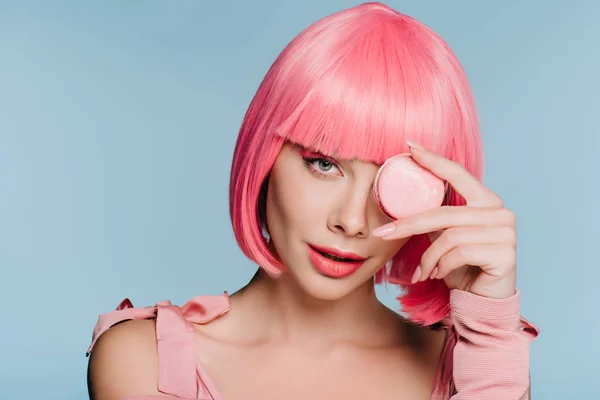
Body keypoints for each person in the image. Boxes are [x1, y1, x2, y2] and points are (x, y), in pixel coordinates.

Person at [86, 2, 539, 399]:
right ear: (264, 156)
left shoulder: (472, 369)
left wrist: (492, 330)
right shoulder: (148, 361)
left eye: (396, 185)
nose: (351, 221)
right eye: (324, 164)